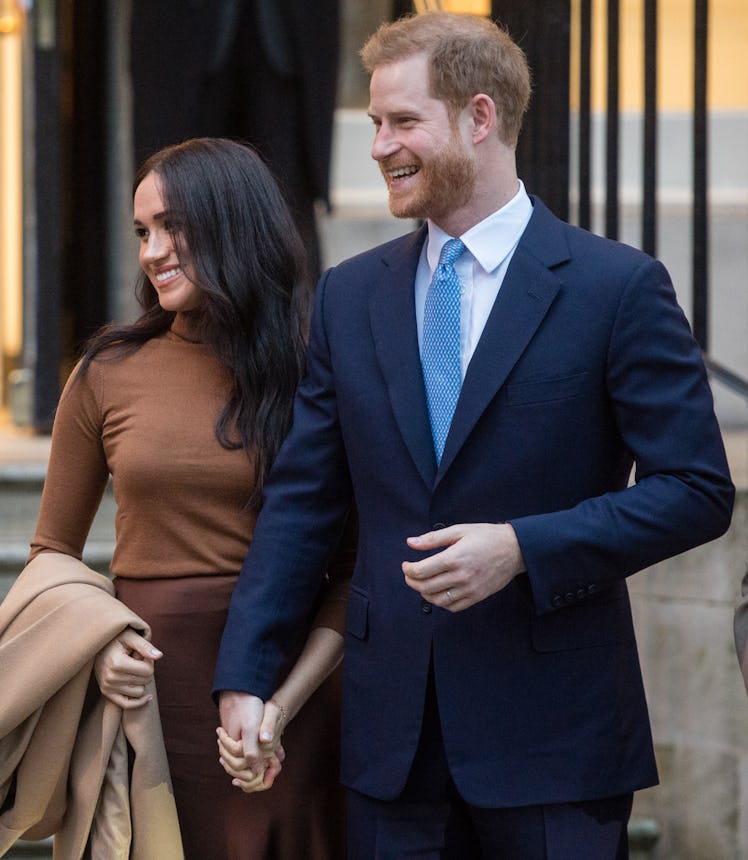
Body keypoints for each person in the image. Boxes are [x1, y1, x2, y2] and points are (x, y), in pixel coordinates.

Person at [213, 12, 735, 859]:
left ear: (479, 117)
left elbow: (698, 492)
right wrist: (245, 676)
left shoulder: (617, 288)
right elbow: (301, 504)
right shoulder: (349, 297)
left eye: (402, 121)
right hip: (390, 747)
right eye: (376, 123)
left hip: (556, 745)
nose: (379, 146)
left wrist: (524, 547)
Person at [28, 137, 349, 859]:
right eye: (143, 231)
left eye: (173, 226)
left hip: (285, 703)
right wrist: (96, 645)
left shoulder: (315, 373)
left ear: (234, 222)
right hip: (148, 697)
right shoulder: (109, 370)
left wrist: (280, 707)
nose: (152, 250)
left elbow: (352, 570)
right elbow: (52, 555)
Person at [129, 0, 339, 280]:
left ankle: (296, 321)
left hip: (286, 36)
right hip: (182, 37)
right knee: (178, 200)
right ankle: (178, 321)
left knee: (286, 209)